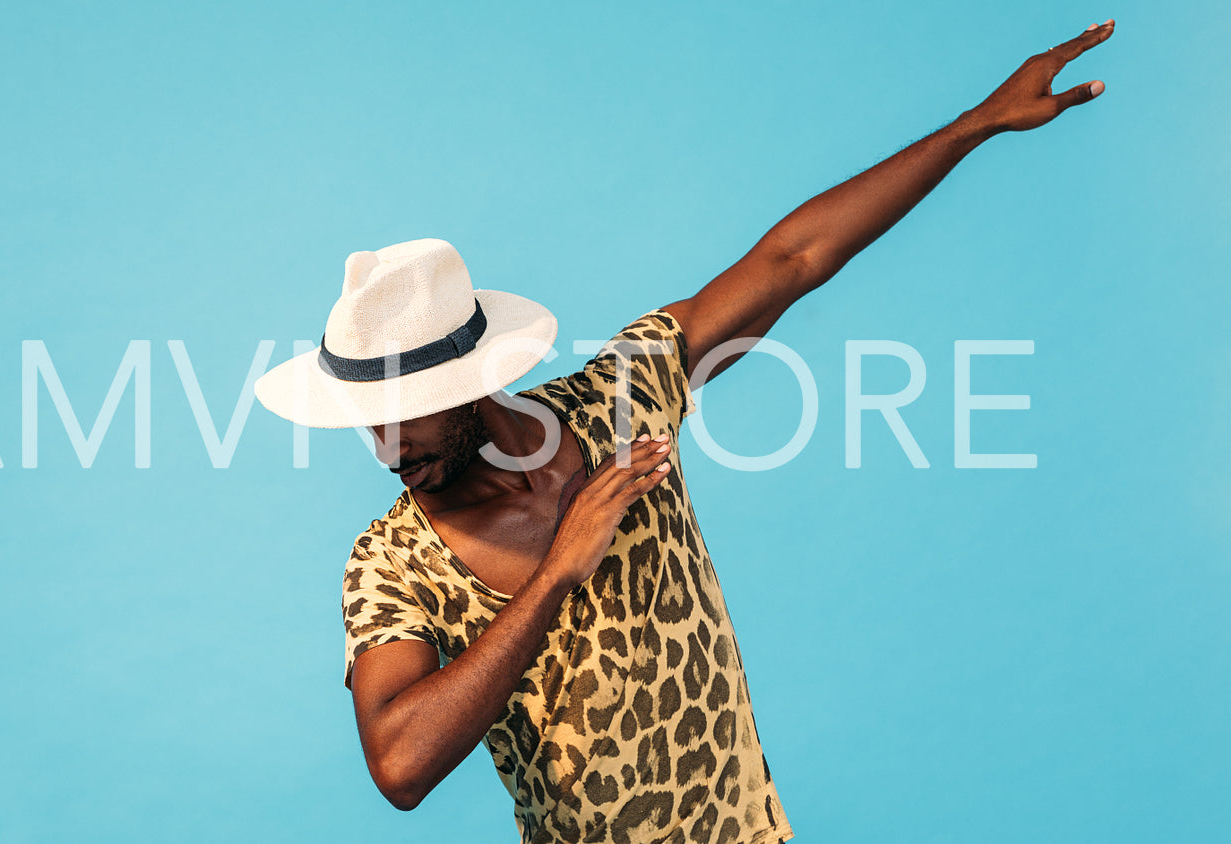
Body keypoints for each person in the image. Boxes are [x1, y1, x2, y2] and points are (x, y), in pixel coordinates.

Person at [253, 20, 1114, 844]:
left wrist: (977, 124)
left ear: (474, 384)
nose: (384, 444)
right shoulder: (393, 562)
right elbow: (399, 766)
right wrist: (557, 574)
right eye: (365, 417)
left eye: (405, 412)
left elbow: (791, 261)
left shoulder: (617, 401)